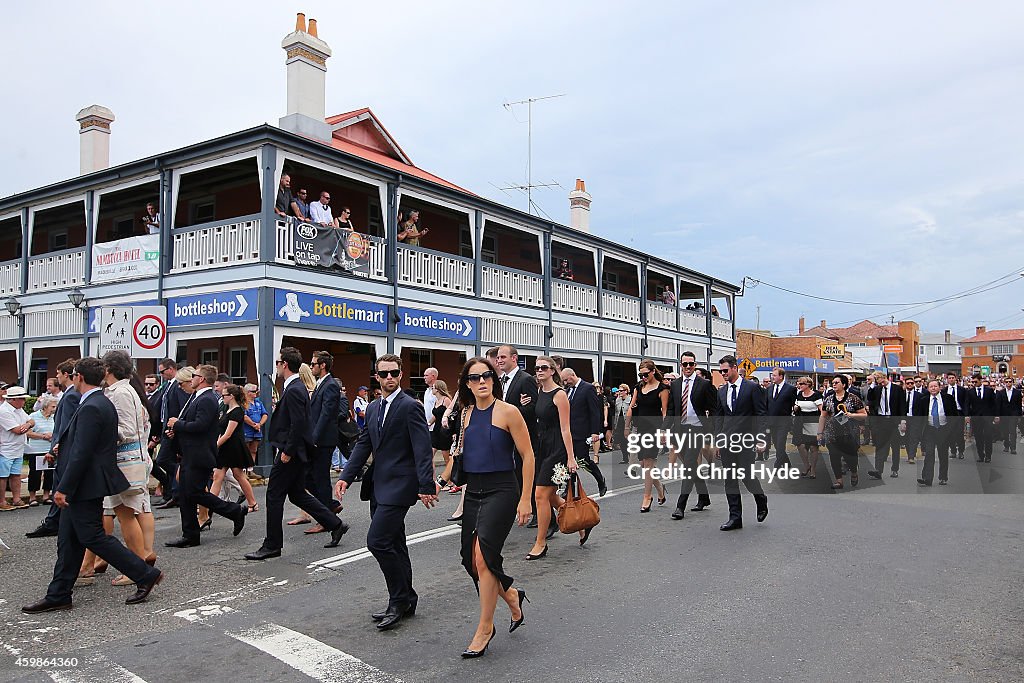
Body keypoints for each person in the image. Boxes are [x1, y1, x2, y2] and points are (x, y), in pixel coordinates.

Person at [21, 358, 164, 613]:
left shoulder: (93, 405)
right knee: (69, 540)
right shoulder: (99, 402)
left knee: (93, 537)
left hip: (84, 484)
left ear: (79, 377)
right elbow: (82, 444)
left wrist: (64, 487)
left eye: (73, 375)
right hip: (86, 481)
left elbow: (83, 452)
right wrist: (60, 449)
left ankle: (144, 573)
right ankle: (59, 593)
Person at [434, 357, 534, 658]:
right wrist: (438, 481)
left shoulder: (509, 412)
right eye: (475, 377)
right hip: (473, 490)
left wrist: (525, 498)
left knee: (484, 556)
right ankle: (513, 596)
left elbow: (528, 456)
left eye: (487, 376)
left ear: (494, 379)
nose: (481, 382)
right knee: (470, 561)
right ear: (466, 383)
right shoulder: (464, 415)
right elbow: (458, 455)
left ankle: (485, 628)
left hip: (502, 490)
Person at [335, 354, 437, 631]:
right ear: (377, 377)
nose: (389, 378)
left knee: (378, 542)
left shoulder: (410, 407)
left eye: (393, 373)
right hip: (378, 485)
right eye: (383, 374)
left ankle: (398, 600)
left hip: (400, 487)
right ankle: (408, 598)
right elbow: (363, 444)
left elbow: (421, 448)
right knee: (394, 543)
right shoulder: (372, 408)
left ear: (401, 375)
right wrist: (345, 476)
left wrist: (426, 485)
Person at [246, 348, 348, 561]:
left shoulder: (294, 388)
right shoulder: (295, 386)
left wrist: (288, 451)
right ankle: (335, 524)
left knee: (274, 496)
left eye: (277, 362)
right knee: (297, 494)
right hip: (296, 450)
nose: (276, 366)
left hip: (290, 451)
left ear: (284, 364)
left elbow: (298, 423)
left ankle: (272, 545)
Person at [164, 365, 248, 548]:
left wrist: (178, 425)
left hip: (200, 455)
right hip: (190, 453)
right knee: (187, 494)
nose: (191, 378)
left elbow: (201, 426)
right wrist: (177, 431)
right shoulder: (197, 397)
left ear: (201, 379)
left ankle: (234, 511)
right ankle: (191, 534)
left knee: (193, 493)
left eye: (194, 375)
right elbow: (194, 425)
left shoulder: (208, 399)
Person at [98, 351, 156, 584]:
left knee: (125, 513)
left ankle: (137, 565)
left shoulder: (120, 392)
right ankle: (139, 562)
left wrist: (102, 433)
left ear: (109, 369)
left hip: (124, 460)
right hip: (129, 459)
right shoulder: (125, 390)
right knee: (126, 512)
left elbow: (127, 430)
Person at [523, 356, 578, 558]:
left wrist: (571, 458)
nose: (539, 371)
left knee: (540, 495)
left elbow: (566, 429)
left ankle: (540, 543)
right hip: (543, 448)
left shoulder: (560, 394)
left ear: (553, 370)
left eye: (544, 368)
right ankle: (581, 522)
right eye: (536, 368)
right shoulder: (540, 391)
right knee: (551, 496)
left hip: (559, 451)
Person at [25, 360, 80, 538]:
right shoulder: (70, 394)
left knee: (60, 484)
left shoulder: (71, 395)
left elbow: (66, 424)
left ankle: (54, 523)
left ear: (66, 374)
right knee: (60, 484)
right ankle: (56, 521)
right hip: (61, 446)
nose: (56, 377)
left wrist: (56, 445)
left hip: (63, 447)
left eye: (58, 374)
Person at [714, 355, 769, 530]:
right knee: (730, 479)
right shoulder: (722, 391)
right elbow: (719, 418)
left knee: (747, 476)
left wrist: (761, 438)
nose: (723, 374)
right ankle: (735, 518)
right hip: (727, 441)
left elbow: (761, 415)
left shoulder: (752, 388)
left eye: (725, 370)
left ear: (735, 368)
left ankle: (760, 498)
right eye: (720, 371)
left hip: (746, 440)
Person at [667, 351, 719, 519]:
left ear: (695, 365)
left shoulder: (704, 384)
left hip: (696, 430)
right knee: (692, 467)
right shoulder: (675, 385)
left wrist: (712, 431)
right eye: (685, 364)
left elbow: (714, 410)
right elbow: (671, 409)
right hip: (679, 430)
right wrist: (663, 429)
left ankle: (680, 506)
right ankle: (704, 497)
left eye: (691, 364)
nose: (688, 367)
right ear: (681, 365)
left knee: (689, 465)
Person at [493, 345, 540, 521]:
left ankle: (541, 513)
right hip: (506, 438)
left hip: (524, 437)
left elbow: (534, 409)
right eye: (498, 358)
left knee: (527, 476)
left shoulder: (525, 379)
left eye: (503, 357)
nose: (499, 360)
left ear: (514, 358)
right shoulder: (500, 380)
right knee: (512, 475)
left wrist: (518, 409)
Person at [304, 351, 343, 533]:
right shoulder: (321, 384)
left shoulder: (331, 385)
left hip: (323, 441)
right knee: (307, 477)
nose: (311, 367)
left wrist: (315, 438)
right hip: (317, 439)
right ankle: (330, 505)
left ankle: (326, 518)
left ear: (323, 365)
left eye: (313, 364)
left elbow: (327, 414)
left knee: (320, 479)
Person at [626, 360, 668, 512]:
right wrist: (626, 427)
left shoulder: (662, 389)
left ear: (652, 372)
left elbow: (664, 411)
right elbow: (631, 407)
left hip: (655, 429)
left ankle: (647, 497)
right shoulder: (638, 387)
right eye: (640, 375)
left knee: (649, 464)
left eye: (645, 374)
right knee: (644, 465)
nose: (643, 377)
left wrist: (664, 430)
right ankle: (660, 489)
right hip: (641, 428)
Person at [209, 384, 258, 511]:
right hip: (225, 448)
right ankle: (208, 506)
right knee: (217, 476)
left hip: (234, 448)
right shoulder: (227, 410)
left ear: (231, 397)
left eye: (224, 395)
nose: (222, 397)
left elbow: (228, 434)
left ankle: (253, 503)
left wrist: (215, 446)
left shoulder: (237, 411)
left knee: (238, 475)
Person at [561, 367, 607, 498]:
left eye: (566, 380)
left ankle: (600, 481)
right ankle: (570, 490)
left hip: (582, 432)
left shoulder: (587, 388)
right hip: (570, 432)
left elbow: (594, 411)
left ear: (572, 375)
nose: (565, 383)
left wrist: (594, 432)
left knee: (583, 460)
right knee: (569, 461)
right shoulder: (568, 391)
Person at [817, 375, 867, 490]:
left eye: (836, 382)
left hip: (849, 433)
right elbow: (823, 416)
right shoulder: (828, 398)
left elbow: (864, 415)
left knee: (851, 458)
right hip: (832, 433)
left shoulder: (853, 398)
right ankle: (839, 481)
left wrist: (852, 415)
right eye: (833, 382)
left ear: (844, 385)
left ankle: (854, 472)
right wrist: (820, 433)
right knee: (834, 456)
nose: (833, 384)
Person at [154, 359, 189, 509]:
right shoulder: (168, 386)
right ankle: (173, 493)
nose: (161, 375)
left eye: (162, 371)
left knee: (162, 459)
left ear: (170, 369)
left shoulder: (178, 385)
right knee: (166, 459)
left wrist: (175, 426)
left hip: (173, 428)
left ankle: (180, 481)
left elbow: (182, 408)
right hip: (166, 427)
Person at [914, 379, 960, 486]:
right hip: (930, 429)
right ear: (928, 388)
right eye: (931, 386)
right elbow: (919, 417)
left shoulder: (948, 398)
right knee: (929, 453)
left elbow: (954, 415)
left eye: (935, 386)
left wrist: (952, 430)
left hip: (944, 429)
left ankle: (943, 477)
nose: (933, 388)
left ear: (939, 387)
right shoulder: (923, 400)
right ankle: (927, 478)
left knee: (943, 454)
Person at [866, 372, 907, 480]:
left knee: (895, 446)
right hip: (881, 421)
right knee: (880, 446)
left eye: (877, 380)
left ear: (883, 378)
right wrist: (872, 385)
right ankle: (878, 470)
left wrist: (903, 421)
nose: (878, 383)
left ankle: (894, 469)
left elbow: (902, 405)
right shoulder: (877, 389)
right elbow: (870, 399)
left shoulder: (897, 389)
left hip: (894, 421)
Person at [0, 386, 32, 510]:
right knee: (3, 476)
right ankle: (2, 502)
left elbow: (32, 421)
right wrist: (27, 425)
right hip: (6, 448)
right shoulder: (4, 411)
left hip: (17, 448)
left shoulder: (19, 410)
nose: (24, 401)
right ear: (13, 400)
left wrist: (27, 424)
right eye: (22, 399)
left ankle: (16, 499)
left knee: (15, 475)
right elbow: (17, 430)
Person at [25, 394, 57, 506]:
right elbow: (28, 433)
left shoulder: (55, 417)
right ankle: (32, 497)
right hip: (36, 449)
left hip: (50, 449)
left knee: (49, 473)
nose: (54, 409)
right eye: (52, 407)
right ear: (45, 406)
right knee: (35, 473)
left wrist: (53, 436)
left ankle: (46, 495)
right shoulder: (33, 416)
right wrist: (43, 436)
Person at [791, 376, 824, 479]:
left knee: (814, 447)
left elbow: (822, 411)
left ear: (808, 385)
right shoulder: (799, 394)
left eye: (801, 384)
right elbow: (796, 407)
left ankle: (813, 470)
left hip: (813, 422)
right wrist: (795, 408)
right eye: (798, 383)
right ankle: (806, 465)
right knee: (799, 444)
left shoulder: (816, 395)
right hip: (801, 423)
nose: (799, 385)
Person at [765, 368, 798, 467]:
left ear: (781, 376)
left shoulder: (790, 389)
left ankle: (777, 465)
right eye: (772, 375)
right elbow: (766, 405)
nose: (772, 377)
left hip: (783, 422)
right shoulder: (769, 389)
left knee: (780, 444)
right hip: (771, 422)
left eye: (774, 375)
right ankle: (787, 463)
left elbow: (794, 404)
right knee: (776, 444)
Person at [967, 374, 996, 462]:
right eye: (973, 382)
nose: (974, 383)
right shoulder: (970, 392)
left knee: (988, 436)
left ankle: (988, 455)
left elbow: (994, 404)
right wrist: (967, 415)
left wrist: (995, 416)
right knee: (978, 437)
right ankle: (981, 455)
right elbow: (967, 404)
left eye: (975, 381)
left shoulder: (989, 391)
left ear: (980, 381)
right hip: (976, 418)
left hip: (987, 417)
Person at [430, 380, 455, 472]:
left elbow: (452, 415)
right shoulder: (436, 401)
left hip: (444, 432)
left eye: (433, 387)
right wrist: (427, 424)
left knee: (446, 459)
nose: (431, 389)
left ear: (437, 389)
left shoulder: (446, 400)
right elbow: (435, 416)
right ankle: (432, 479)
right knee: (429, 456)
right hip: (436, 431)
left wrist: (453, 431)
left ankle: (450, 481)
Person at [995, 377, 1022, 454]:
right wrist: (997, 416)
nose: (1008, 383)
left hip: (1014, 415)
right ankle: (1006, 446)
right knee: (1005, 431)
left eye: (1010, 382)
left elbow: (1019, 405)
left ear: (1012, 382)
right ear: (1004, 383)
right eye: (1006, 382)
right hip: (1004, 415)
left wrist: (1019, 415)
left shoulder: (1017, 392)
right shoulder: (1001, 392)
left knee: (1013, 431)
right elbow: (998, 405)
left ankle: (1013, 448)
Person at [945, 373, 968, 459]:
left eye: (952, 378)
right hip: (949, 414)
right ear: (947, 379)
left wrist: (966, 414)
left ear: (955, 379)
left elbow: (966, 403)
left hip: (959, 413)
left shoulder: (962, 390)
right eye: (949, 378)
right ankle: (953, 451)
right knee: (950, 433)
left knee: (959, 433)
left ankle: (961, 451)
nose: (951, 379)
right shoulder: (944, 390)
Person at [611, 383, 631, 465]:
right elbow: (616, 412)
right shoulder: (618, 400)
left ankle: (632, 457)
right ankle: (625, 457)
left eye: (621, 391)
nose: (620, 392)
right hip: (619, 421)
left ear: (626, 391)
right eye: (619, 391)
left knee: (629, 440)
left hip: (628, 421)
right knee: (622, 441)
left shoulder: (630, 399)